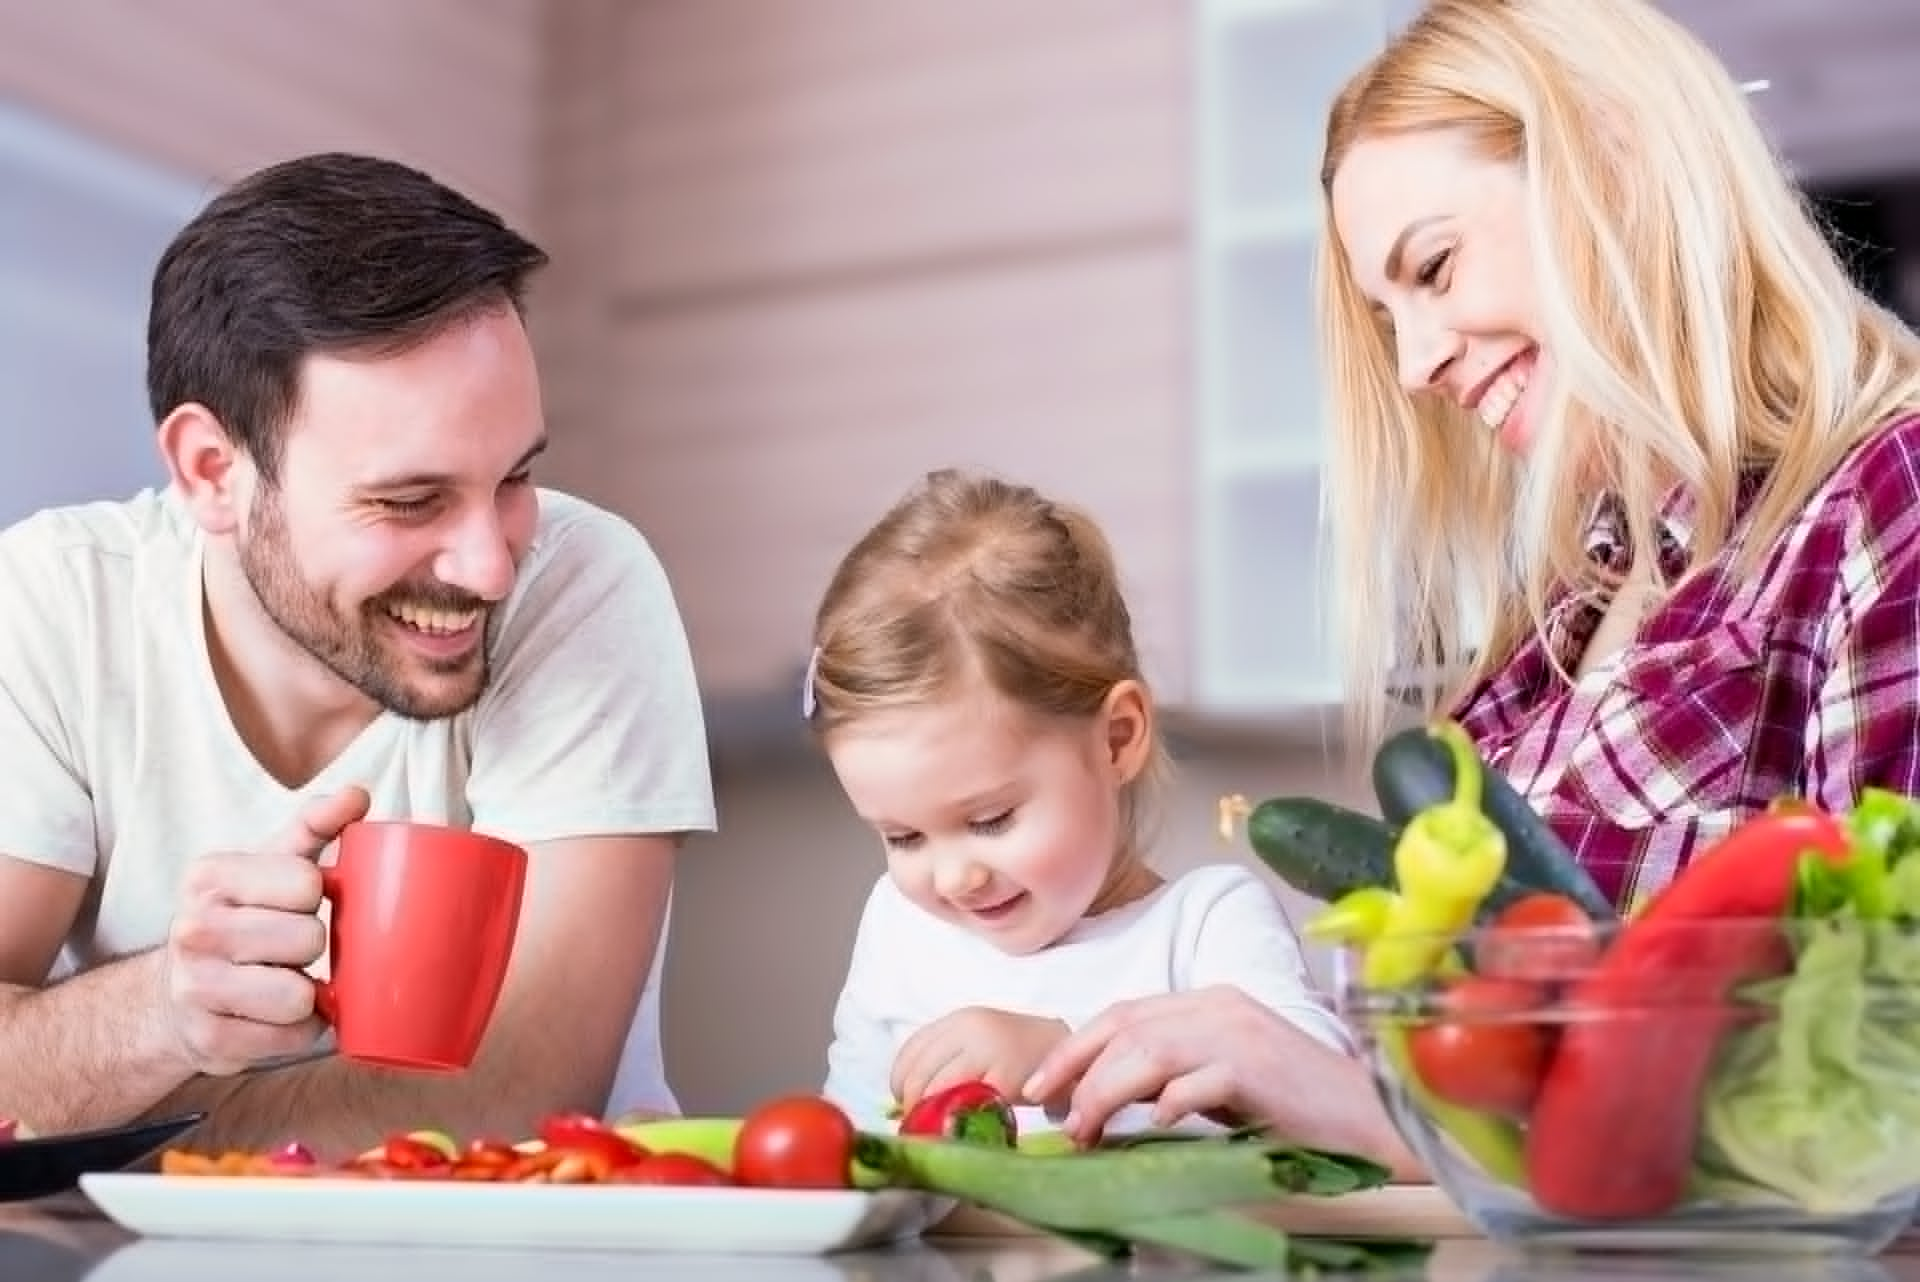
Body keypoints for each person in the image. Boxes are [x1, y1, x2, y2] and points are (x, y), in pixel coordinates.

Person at [1026, 0, 1920, 1164]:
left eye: (1434, 268)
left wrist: (1359, 1105)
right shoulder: (1568, 609)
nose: (1414, 364)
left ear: (1612, 158)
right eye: (1387, 313)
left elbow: (1884, 1103)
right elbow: (1494, 1093)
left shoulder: (1886, 496)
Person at [0, 152, 716, 1156]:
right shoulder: (55, 603)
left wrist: (102, 1112)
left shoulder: (581, 581)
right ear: (214, 472)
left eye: (512, 477)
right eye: (410, 501)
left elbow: (520, 1094)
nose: (490, 567)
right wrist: (163, 1010)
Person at [804, 467, 1392, 1162]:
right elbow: (848, 1143)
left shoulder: (1208, 924)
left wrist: (1066, 1055)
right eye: (902, 837)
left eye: (992, 820)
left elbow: (1316, 1097)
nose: (955, 877)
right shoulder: (900, 929)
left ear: (1118, 737)